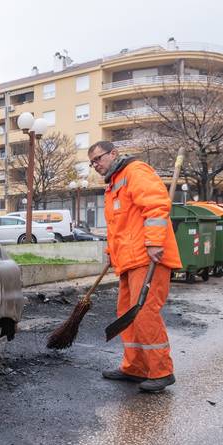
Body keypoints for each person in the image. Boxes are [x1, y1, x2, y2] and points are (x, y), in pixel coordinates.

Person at [87, 141, 182, 392]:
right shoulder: (113, 185)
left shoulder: (135, 172)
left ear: (114, 153)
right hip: (129, 260)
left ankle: (162, 371)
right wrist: (111, 253)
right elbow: (119, 227)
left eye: (98, 158)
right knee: (127, 315)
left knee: (144, 313)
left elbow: (156, 206)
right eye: (92, 162)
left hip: (147, 257)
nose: (96, 165)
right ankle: (135, 367)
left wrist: (153, 242)